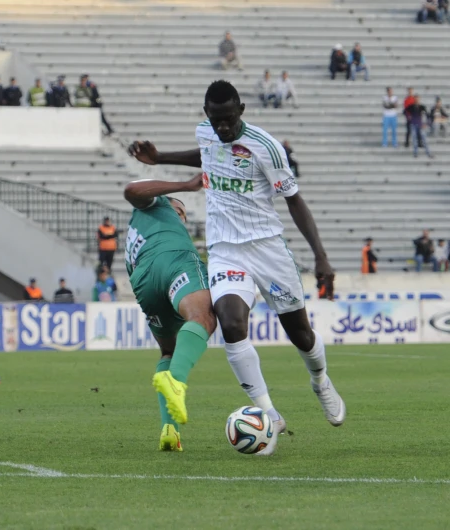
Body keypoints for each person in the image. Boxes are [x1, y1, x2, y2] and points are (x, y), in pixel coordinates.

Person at [128, 80, 345, 456]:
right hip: (226, 250)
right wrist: (160, 156)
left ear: (241, 109)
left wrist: (321, 255)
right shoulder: (208, 134)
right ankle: (269, 414)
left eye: (228, 119)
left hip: (267, 249)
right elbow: (207, 155)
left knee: (301, 335)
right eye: (216, 121)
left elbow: (295, 200)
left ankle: (321, 380)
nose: (223, 128)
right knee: (230, 324)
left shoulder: (266, 147)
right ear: (206, 116)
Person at [123, 177, 218, 452]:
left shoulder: (135, 235)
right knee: (203, 318)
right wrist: (186, 186)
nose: (182, 219)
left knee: (169, 351)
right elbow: (131, 190)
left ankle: (169, 430)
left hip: (143, 280)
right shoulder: (156, 205)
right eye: (181, 213)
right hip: (174, 260)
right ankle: (176, 382)